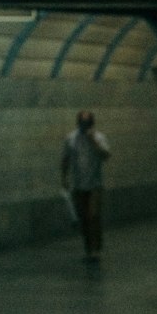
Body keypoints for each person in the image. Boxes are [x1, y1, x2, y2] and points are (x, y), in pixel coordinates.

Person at [60, 110, 110, 262]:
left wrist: (93, 141)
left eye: (87, 123)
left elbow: (106, 155)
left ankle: (96, 249)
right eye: (82, 123)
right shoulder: (71, 139)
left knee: (93, 216)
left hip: (95, 184)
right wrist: (64, 178)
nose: (84, 126)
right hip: (78, 185)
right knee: (84, 218)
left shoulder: (99, 137)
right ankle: (88, 248)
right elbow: (65, 159)